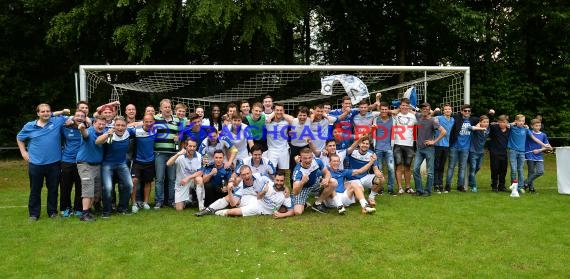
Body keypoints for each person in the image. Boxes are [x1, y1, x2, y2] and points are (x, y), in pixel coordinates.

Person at [17, 104, 69, 221]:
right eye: (43, 111)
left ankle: (52, 212)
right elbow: (19, 138)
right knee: (35, 189)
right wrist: (23, 152)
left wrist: (63, 113)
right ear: (38, 113)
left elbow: (75, 118)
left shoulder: (56, 121)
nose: (45, 113)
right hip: (36, 164)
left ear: (51, 112)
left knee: (53, 189)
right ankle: (34, 214)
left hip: (54, 163)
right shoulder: (30, 126)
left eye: (48, 111)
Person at [96, 116, 134, 218]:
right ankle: (106, 211)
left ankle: (122, 208)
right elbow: (98, 142)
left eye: (123, 125)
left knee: (129, 185)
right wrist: (107, 134)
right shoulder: (109, 134)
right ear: (114, 125)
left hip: (122, 164)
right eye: (118, 125)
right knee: (108, 188)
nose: (120, 128)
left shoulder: (129, 132)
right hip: (107, 165)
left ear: (126, 126)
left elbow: (143, 126)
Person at [195, 165, 269, 216]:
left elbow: (272, 185)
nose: (246, 176)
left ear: (251, 172)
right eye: (244, 174)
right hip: (252, 200)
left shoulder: (261, 177)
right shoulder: (240, 187)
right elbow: (233, 204)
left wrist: (264, 192)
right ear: (240, 175)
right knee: (229, 197)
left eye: (248, 173)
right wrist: (229, 191)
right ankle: (209, 210)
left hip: (264, 200)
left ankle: (219, 212)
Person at [215, 172, 294, 218]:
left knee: (232, 212)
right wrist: (264, 192)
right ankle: (211, 208)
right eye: (277, 180)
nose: (279, 183)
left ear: (284, 181)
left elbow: (291, 211)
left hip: (259, 209)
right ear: (274, 179)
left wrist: (281, 215)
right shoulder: (268, 185)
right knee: (234, 200)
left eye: (281, 181)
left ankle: (216, 213)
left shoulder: (285, 194)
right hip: (254, 199)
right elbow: (259, 197)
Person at [507, 114, 550, 194]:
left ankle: (520, 187)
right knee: (513, 169)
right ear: (516, 121)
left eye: (523, 121)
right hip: (512, 151)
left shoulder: (526, 130)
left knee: (520, 170)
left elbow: (535, 139)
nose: (521, 122)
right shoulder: (512, 128)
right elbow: (506, 125)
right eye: (519, 121)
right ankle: (513, 186)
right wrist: (513, 123)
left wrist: (544, 145)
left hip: (522, 152)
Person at [76, 116, 107, 222]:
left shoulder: (105, 132)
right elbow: (85, 134)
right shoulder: (89, 131)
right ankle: (84, 215)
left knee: (95, 191)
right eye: (99, 124)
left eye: (103, 124)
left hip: (97, 165)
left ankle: (88, 212)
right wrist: (82, 128)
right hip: (85, 164)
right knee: (87, 189)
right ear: (94, 123)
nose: (101, 126)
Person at [412, 103, 446, 196]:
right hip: (419, 149)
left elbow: (444, 132)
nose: (425, 110)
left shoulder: (433, 121)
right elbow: (408, 110)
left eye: (427, 109)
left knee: (430, 172)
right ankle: (419, 190)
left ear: (429, 110)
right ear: (421, 109)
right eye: (423, 109)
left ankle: (427, 191)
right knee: (415, 169)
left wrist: (434, 142)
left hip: (429, 149)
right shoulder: (418, 116)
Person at [291, 148, 338, 215]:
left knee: (333, 182)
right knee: (298, 212)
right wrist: (302, 182)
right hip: (303, 188)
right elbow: (295, 192)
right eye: (305, 158)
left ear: (312, 157)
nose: (308, 160)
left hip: (315, 183)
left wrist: (326, 179)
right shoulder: (298, 171)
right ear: (300, 158)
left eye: (309, 157)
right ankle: (305, 204)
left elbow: (327, 173)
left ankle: (317, 203)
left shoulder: (317, 161)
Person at [153, 99, 180, 208]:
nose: (168, 109)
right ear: (160, 109)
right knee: (159, 179)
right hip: (159, 153)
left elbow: (181, 133)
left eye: (169, 107)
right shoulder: (155, 119)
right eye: (165, 107)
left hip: (172, 154)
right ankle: (159, 201)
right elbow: (144, 123)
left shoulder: (177, 120)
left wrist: (179, 137)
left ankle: (171, 201)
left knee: (172, 179)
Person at [446, 104, 479, 192]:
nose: (467, 112)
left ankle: (460, 186)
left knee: (462, 167)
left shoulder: (472, 120)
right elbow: (447, 114)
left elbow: (483, 120)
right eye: (465, 111)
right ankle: (447, 185)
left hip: (465, 148)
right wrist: (436, 111)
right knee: (451, 167)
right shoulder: (457, 118)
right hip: (454, 147)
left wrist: (490, 114)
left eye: (468, 111)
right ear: (461, 111)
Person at [60, 110, 86, 217]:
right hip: (67, 161)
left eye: (82, 116)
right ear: (73, 117)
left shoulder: (87, 128)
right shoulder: (65, 128)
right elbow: (56, 121)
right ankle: (65, 208)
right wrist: (65, 121)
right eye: (77, 116)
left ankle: (78, 209)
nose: (79, 118)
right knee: (65, 187)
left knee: (80, 187)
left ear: (85, 118)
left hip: (81, 162)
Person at [166, 138, 203, 211]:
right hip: (182, 182)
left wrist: (188, 178)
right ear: (186, 146)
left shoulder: (199, 156)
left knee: (199, 179)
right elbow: (168, 164)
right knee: (179, 209)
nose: (192, 148)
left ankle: (201, 205)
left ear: (196, 147)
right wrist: (178, 154)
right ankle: (187, 200)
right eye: (190, 146)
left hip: (192, 180)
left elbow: (200, 172)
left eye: (194, 146)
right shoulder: (180, 156)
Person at [346, 136, 384, 205]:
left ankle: (371, 197)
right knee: (356, 198)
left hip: (364, 178)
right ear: (359, 144)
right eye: (363, 143)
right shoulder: (352, 152)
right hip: (352, 179)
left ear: (369, 145)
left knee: (381, 178)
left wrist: (378, 173)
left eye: (367, 144)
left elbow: (375, 169)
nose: (365, 145)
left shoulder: (371, 154)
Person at [130, 113, 155, 212]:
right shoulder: (136, 131)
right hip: (137, 161)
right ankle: (134, 203)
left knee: (148, 182)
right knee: (134, 181)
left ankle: (145, 202)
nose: (148, 123)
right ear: (143, 122)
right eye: (146, 121)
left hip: (150, 161)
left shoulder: (156, 130)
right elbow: (124, 129)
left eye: (150, 121)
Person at [392, 98, 417, 194]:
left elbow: (428, 114)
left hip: (409, 144)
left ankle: (408, 187)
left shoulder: (413, 116)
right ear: (400, 106)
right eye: (403, 105)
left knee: (407, 167)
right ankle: (400, 188)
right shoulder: (395, 115)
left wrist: (411, 110)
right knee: (398, 166)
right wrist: (397, 110)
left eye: (407, 105)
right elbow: (384, 111)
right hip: (397, 144)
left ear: (409, 106)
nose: (404, 107)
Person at [373, 102, 396, 195]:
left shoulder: (393, 120)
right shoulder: (375, 119)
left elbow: (398, 111)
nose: (384, 111)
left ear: (388, 110)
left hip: (389, 148)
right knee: (380, 169)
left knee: (391, 168)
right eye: (382, 109)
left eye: (386, 109)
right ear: (380, 110)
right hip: (378, 147)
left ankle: (391, 188)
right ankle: (380, 188)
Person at [524, 118, 551, 193]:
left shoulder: (543, 135)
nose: (538, 127)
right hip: (529, 155)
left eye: (539, 125)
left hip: (539, 156)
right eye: (536, 126)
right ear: (532, 126)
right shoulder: (529, 133)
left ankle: (525, 183)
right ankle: (531, 188)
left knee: (540, 171)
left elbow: (548, 146)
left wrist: (540, 150)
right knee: (531, 172)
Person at [433, 104, 455, 193]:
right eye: (445, 109)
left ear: (451, 110)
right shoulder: (438, 118)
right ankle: (436, 185)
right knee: (436, 165)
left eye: (449, 109)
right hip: (438, 144)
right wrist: (434, 111)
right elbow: (431, 118)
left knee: (442, 166)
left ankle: (440, 184)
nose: (447, 110)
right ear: (443, 111)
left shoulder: (453, 120)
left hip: (447, 145)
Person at [264, 103, 292, 173]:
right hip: (272, 150)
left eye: (281, 110)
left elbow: (293, 120)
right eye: (277, 110)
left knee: (282, 171)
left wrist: (282, 113)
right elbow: (267, 119)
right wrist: (274, 113)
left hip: (284, 149)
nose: (279, 112)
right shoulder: (268, 122)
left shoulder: (286, 122)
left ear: (283, 111)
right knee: (271, 171)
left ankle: (281, 183)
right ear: (273, 111)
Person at [467, 116, 490, 192]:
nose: (486, 124)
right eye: (484, 122)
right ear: (480, 122)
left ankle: (470, 179)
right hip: (473, 151)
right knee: (473, 168)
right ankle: (474, 186)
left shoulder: (488, 129)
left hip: (481, 152)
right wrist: (480, 128)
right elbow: (469, 128)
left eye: (487, 122)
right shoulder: (476, 128)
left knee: (478, 167)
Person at [488, 115, 510, 192]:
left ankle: (502, 186)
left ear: (507, 123)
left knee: (503, 170)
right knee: (494, 169)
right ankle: (494, 185)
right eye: (500, 122)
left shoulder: (509, 130)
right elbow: (488, 124)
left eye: (504, 122)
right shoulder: (494, 128)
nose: (502, 124)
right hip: (494, 153)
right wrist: (491, 116)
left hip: (504, 153)